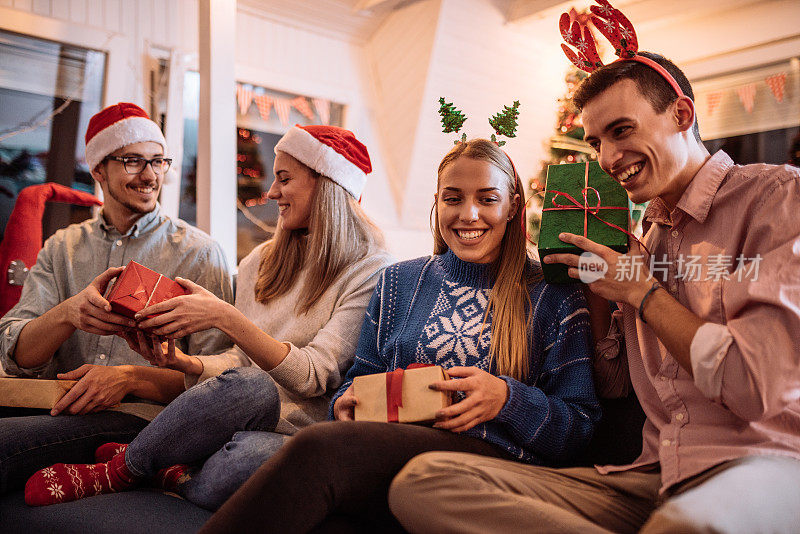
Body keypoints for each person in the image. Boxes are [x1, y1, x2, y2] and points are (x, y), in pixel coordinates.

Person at [387, 47, 800, 534]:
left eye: (621, 131)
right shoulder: (642, 242)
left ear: (681, 114)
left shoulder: (776, 197)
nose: (606, 158)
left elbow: (756, 386)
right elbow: (613, 388)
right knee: (425, 483)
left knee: (683, 528)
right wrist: (600, 296)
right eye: (596, 141)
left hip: (764, 461)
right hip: (657, 475)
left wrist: (642, 292)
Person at [198, 138, 602, 533]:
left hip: (489, 468)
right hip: (394, 455)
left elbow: (580, 427)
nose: (469, 214)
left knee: (317, 448)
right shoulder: (399, 281)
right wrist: (346, 404)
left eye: (488, 199)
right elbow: (358, 379)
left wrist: (507, 399)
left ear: (513, 205)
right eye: (453, 198)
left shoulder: (553, 293)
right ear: (437, 202)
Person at [25, 124, 393, 510]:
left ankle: (154, 468)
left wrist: (224, 316)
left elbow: (316, 376)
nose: (271, 193)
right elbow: (240, 365)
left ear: (329, 186)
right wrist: (187, 362)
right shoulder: (262, 262)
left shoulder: (371, 271)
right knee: (252, 385)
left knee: (242, 463)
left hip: (296, 432)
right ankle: (123, 470)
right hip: (236, 414)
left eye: (284, 179)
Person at [0, 103, 233, 494]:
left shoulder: (199, 253)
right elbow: (15, 354)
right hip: (53, 404)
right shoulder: (64, 248)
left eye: (158, 162)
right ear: (97, 171)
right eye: (132, 161)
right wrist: (67, 314)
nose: (150, 175)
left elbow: (216, 382)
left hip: (142, 421)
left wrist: (127, 380)